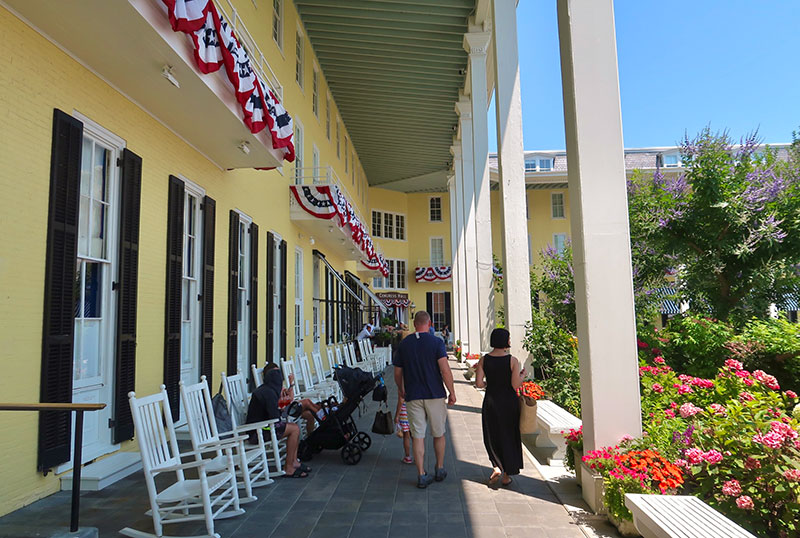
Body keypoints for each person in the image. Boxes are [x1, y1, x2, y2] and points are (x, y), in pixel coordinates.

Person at [393, 311, 456, 488]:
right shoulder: (436, 342)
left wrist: (401, 389)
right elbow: (444, 369)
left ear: (414, 324)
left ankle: (421, 474)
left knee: (418, 436)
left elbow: (397, 372)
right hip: (435, 394)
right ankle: (440, 467)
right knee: (438, 433)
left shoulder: (404, 344)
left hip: (413, 395)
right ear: (429, 324)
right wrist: (451, 391)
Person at [474, 328, 525, 486]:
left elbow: (479, 383)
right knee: (509, 435)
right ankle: (506, 475)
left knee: (492, 434)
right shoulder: (512, 361)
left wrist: (490, 383)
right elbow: (515, 385)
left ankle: (496, 466)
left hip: (490, 401)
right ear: (505, 340)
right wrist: (522, 375)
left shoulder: (484, 360)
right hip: (508, 403)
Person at [245, 363, 310, 478]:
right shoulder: (269, 394)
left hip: (264, 425)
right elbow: (275, 418)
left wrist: (281, 406)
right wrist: (281, 408)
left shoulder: (267, 390)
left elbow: (273, 414)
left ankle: (294, 461)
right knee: (294, 429)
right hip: (258, 431)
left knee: (294, 426)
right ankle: (289, 468)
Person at [394, 394, 413, 464]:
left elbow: (401, 400)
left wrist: (397, 415)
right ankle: (418, 457)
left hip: (405, 413)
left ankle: (408, 457)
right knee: (416, 437)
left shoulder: (402, 385)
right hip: (415, 411)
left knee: (406, 436)